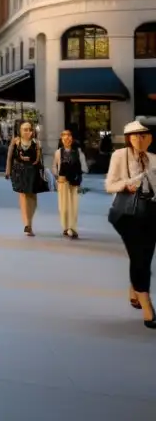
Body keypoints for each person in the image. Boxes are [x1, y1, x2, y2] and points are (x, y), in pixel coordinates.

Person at [106, 120, 156, 328]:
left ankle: (134, 290)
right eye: (134, 136)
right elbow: (110, 185)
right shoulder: (120, 156)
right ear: (128, 138)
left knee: (144, 256)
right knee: (140, 260)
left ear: (150, 138)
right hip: (127, 215)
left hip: (151, 214)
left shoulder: (154, 159)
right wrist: (128, 184)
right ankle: (147, 307)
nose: (139, 139)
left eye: (143, 135)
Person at [5, 120, 46, 236]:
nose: (28, 132)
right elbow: (9, 157)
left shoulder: (36, 143)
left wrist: (41, 169)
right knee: (23, 196)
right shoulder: (16, 142)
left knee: (32, 197)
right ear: (20, 131)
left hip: (33, 172)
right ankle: (27, 224)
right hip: (19, 172)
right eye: (25, 129)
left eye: (30, 129)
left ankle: (29, 221)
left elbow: (40, 160)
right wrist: (8, 171)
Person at [51, 129, 88, 239]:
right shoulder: (58, 152)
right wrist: (57, 176)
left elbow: (84, 167)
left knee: (73, 206)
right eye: (64, 136)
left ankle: (73, 228)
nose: (67, 138)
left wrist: (79, 173)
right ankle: (65, 227)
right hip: (63, 182)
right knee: (64, 206)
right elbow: (54, 166)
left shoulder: (78, 152)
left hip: (74, 182)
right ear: (61, 139)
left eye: (69, 136)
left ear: (72, 138)